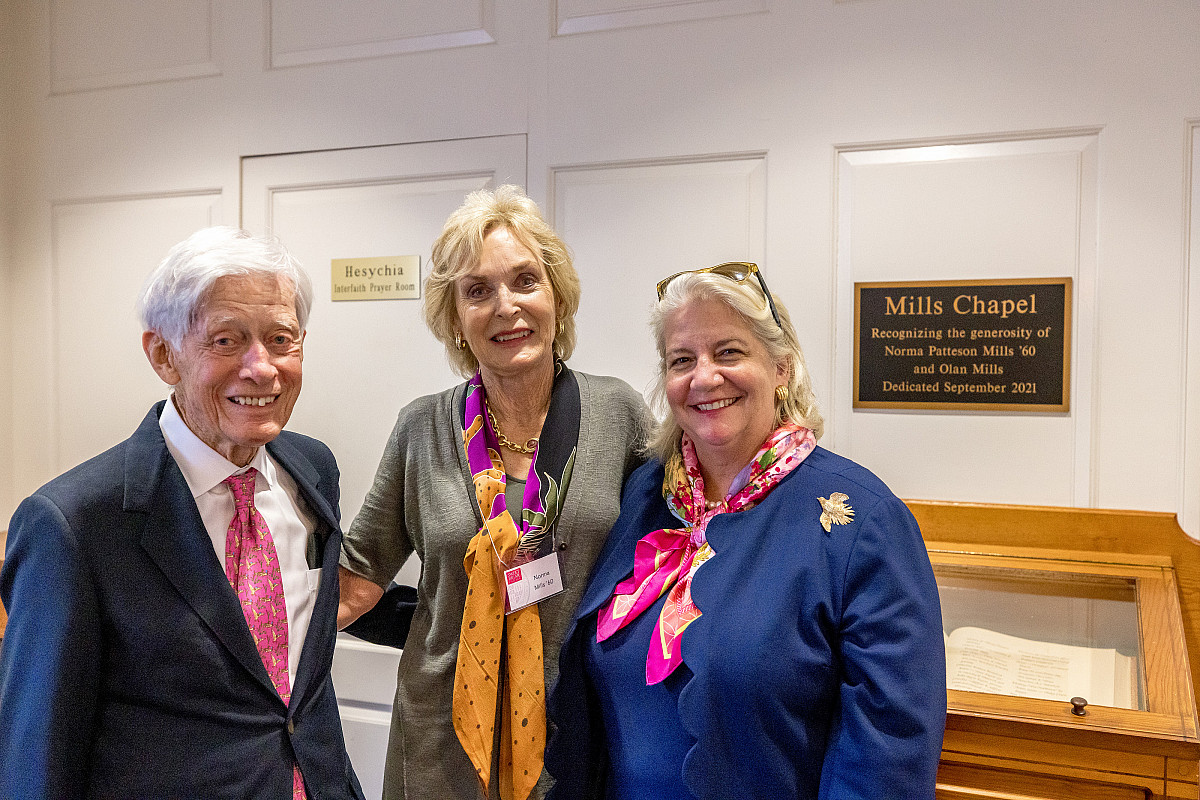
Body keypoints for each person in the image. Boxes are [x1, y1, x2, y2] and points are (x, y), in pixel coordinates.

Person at [545, 262, 947, 799]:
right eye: (681, 360)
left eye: (729, 352)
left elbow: (889, 746)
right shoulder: (645, 494)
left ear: (781, 367)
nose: (704, 377)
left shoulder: (863, 521)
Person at [0, 227, 365, 799]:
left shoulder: (312, 470)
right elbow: (36, 757)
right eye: (226, 341)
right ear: (163, 355)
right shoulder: (72, 525)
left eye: (281, 339)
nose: (262, 367)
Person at [337, 185, 649, 800]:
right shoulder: (421, 427)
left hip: (578, 727)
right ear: (455, 317)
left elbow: (666, 561)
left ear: (557, 296)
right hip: (442, 736)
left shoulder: (620, 414)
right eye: (477, 290)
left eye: (525, 281)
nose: (506, 307)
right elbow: (357, 577)